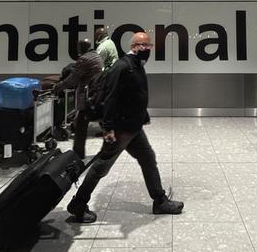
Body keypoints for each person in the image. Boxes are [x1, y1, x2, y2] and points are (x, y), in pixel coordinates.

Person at [67, 32, 183, 223]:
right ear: (136, 46)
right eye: (145, 47)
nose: (148, 51)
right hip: (120, 129)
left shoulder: (135, 65)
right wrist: (109, 128)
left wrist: (142, 115)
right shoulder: (123, 67)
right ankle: (78, 204)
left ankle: (160, 201)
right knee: (100, 168)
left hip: (133, 127)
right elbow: (111, 98)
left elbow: (134, 94)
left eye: (150, 47)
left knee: (148, 158)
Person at [52, 39, 103, 158]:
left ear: (81, 48)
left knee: (80, 126)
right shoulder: (96, 56)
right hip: (96, 94)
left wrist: (57, 87)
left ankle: (77, 154)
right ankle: (106, 150)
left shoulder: (84, 59)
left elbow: (72, 80)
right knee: (84, 123)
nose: (78, 49)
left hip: (87, 96)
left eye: (79, 47)